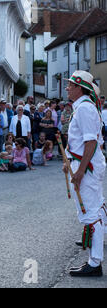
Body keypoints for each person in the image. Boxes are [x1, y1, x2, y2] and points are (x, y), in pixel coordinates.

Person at [63, 71, 105, 277]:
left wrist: (79, 171)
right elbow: (82, 142)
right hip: (84, 164)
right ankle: (95, 256)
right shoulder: (83, 108)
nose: (67, 88)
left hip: (87, 168)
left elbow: (91, 142)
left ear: (81, 88)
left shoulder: (85, 109)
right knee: (96, 208)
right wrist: (69, 161)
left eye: (71, 85)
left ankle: (95, 262)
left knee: (90, 213)